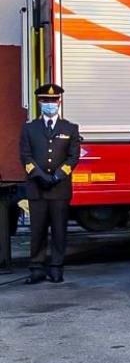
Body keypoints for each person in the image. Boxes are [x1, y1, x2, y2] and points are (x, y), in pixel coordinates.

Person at [19, 84, 80, 285]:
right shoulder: (29, 128)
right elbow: (25, 156)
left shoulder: (70, 128)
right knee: (37, 230)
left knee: (59, 230)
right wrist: (40, 176)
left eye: (53, 101)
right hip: (37, 188)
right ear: (39, 102)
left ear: (59, 102)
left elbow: (73, 157)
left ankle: (56, 267)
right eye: (46, 101)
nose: (50, 104)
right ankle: (36, 268)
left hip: (59, 188)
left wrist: (57, 177)